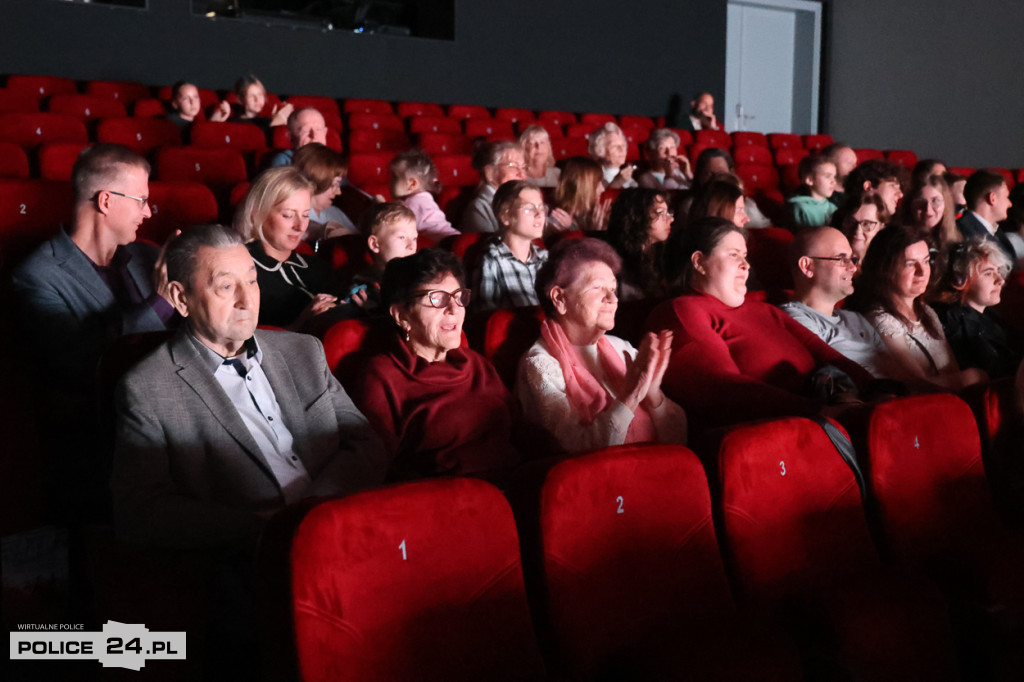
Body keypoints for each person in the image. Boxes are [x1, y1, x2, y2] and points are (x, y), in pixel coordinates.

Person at [110, 224, 386, 677]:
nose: (247, 299)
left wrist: (318, 511)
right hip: (251, 564)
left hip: (343, 529)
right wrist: (266, 527)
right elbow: (140, 511)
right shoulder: (147, 389)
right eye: (225, 286)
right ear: (180, 299)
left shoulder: (304, 351)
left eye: (253, 281)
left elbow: (366, 443)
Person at [9, 143, 177, 519]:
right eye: (141, 201)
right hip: (104, 437)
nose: (148, 212)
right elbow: (82, 363)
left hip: (174, 410)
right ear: (106, 201)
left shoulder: (148, 257)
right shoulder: (36, 277)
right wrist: (162, 300)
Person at [647, 217, 873, 431]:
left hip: (822, 418)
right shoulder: (682, 309)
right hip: (777, 433)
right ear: (699, 262)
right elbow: (721, 389)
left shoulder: (764, 309)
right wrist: (822, 411)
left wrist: (876, 390)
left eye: (745, 256)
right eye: (734, 255)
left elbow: (828, 355)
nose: (746, 265)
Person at [350, 248, 521, 479]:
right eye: (437, 299)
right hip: (446, 500)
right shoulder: (382, 375)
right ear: (402, 316)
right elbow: (380, 467)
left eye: (458, 296)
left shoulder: (477, 363)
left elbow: (523, 432)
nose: (454, 310)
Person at [517, 238, 688, 454]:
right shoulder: (539, 362)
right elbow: (577, 449)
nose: (612, 299)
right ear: (560, 299)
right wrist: (630, 397)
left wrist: (653, 394)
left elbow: (678, 440)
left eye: (614, 289)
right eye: (597, 288)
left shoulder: (622, 347)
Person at [847, 224, 984, 390]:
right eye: (911, 264)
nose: (922, 272)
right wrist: (969, 378)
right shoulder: (880, 320)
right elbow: (918, 386)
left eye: (926, 261)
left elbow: (952, 368)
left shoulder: (926, 310)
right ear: (885, 269)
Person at [780, 226, 897, 378]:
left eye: (853, 259)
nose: (853, 267)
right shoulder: (792, 318)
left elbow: (895, 366)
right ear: (807, 266)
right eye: (842, 259)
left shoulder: (855, 318)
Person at [233, 167, 339, 331]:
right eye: (288, 215)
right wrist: (300, 324)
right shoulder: (240, 272)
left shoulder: (318, 267)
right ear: (257, 214)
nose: (300, 226)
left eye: (305, 215)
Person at [930, 238, 1021, 379]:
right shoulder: (953, 322)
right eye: (988, 273)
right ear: (959, 280)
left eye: (998, 271)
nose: (1000, 280)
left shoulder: (990, 315)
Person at [473, 180, 549, 311]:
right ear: (505, 216)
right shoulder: (492, 261)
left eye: (541, 208)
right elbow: (484, 318)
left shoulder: (546, 259)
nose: (539, 214)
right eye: (529, 209)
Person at [345, 201, 420, 314]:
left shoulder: (422, 276)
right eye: (402, 237)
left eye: (414, 238)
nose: (411, 246)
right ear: (375, 244)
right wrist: (370, 311)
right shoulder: (363, 288)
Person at [606, 188, 673, 300]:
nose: (671, 219)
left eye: (668, 213)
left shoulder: (663, 256)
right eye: (661, 213)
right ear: (638, 216)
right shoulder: (616, 264)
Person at [389, 148, 460, 244]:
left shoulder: (414, 202)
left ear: (412, 184)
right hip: (453, 239)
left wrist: (380, 205)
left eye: (394, 176)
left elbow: (394, 226)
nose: (389, 180)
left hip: (445, 244)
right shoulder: (425, 198)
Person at [292, 142, 357, 243]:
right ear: (318, 179)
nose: (339, 192)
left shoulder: (335, 212)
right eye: (334, 185)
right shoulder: (293, 216)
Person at [460, 140, 527, 233]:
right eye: (513, 166)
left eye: (523, 167)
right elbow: (491, 246)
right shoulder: (479, 208)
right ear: (490, 172)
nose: (522, 174)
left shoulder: (526, 202)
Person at [957, 169, 1015, 261]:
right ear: (992, 199)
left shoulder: (995, 231)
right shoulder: (965, 233)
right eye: (1007, 197)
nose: (1010, 204)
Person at [213, 74, 292, 138]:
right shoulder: (235, 123)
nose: (257, 100)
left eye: (260, 95)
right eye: (252, 96)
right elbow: (256, 140)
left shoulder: (266, 121)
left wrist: (284, 120)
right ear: (240, 100)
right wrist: (276, 122)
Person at [548, 155, 609, 235]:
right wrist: (569, 232)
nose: (602, 189)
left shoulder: (589, 215)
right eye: (597, 184)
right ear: (582, 187)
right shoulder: (558, 218)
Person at [903, 173, 960, 256]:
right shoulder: (898, 241)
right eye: (920, 202)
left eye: (935, 201)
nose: (928, 210)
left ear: (946, 204)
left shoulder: (956, 241)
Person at [832, 193, 889, 270]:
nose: (857, 231)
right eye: (851, 222)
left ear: (881, 228)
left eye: (867, 224)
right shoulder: (832, 262)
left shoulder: (887, 266)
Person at [786, 155, 838, 228]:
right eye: (827, 176)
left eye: (834, 177)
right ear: (810, 180)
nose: (834, 182)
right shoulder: (801, 208)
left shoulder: (832, 207)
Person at [589, 122, 637, 188]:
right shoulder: (592, 175)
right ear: (599, 150)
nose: (621, 150)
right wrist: (617, 183)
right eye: (614, 146)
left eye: (623, 145)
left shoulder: (630, 179)